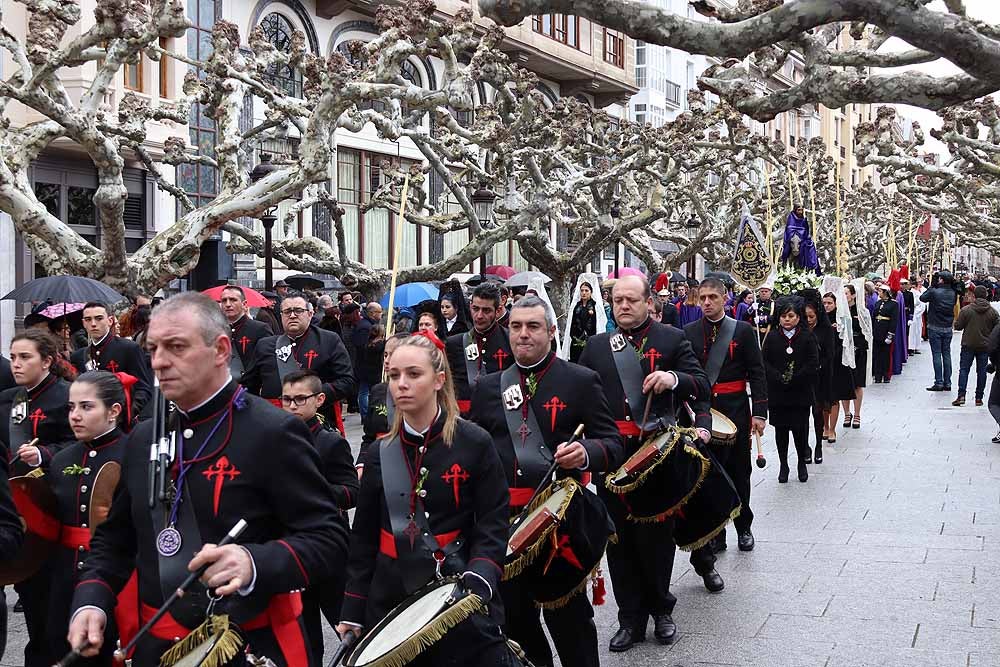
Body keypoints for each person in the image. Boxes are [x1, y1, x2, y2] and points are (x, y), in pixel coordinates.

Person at [67, 293, 347, 666]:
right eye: (153, 348)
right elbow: (115, 539)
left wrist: (254, 561)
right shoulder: (142, 438)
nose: (159, 361)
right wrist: (91, 600)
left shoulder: (273, 431)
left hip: (248, 644)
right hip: (160, 646)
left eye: (176, 347)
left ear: (220, 350)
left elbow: (327, 537)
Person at [336, 333, 514, 667]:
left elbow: (493, 521)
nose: (401, 384)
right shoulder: (379, 452)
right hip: (390, 597)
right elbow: (363, 539)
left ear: (439, 380)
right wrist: (353, 608)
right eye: (394, 375)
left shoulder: (475, 442)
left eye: (413, 374)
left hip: (457, 588)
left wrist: (481, 573)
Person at [471, 297, 623, 667]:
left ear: (552, 332)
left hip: (560, 522)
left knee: (570, 622)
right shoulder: (489, 387)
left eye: (533, 326)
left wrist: (585, 452)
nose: (523, 334)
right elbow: (473, 450)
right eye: (516, 326)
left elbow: (612, 444)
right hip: (505, 523)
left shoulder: (580, 380)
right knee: (516, 622)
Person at [577, 275, 710, 654]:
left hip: (657, 454)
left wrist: (673, 378)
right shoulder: (597, 347)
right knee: (618, 541)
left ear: (648, 302)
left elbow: (701, 384)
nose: (623, 306)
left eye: (631, 300)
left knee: (656, 539)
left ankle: (661, 609)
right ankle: (629, 619)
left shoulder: (672, 339)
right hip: (612, 456)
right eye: (617, 300)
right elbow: (580, 396)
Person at [0, 330, 76, 667]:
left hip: (53, 510)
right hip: (16, 512)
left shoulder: (67, 397)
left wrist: (45, 454)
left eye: (25, 357)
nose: (16, 364)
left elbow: (81, 445)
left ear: (47, 361)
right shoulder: (9, 399)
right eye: (13, 357)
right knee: (29, 595)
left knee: (52, 602)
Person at [44, 371, 130, 667]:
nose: (75, 416)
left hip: (117, 582)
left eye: (86, 406)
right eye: (71, 407)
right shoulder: (62, 460)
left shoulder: (132, 454)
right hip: (64, 579)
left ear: (113, 411)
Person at [683, 278, 767, 577]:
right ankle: (716, 532)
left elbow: (757, 372)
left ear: (725, 298)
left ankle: (744, 527)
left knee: (739, 472)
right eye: (702, 298)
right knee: (708, 476)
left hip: (736, 411)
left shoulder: (742, 330)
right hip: (702, 413)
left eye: (713, 297)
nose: (706, 302)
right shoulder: (688, 332)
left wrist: (760, 413)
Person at [280, 370, 357, 664]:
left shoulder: (331, 442)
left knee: (348, 630)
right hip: (291, 550)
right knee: (304, 641)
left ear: (319, 400)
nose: (292, 406)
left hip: (329, 550)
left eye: (300, 399)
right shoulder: (274, 442)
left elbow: (352, 492)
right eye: (287, 399)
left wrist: (314, 492)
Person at [243, 291, 356, 435]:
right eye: (287, 312)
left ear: (310, 314)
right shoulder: (265, 345)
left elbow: (347, 381)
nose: (292, 315)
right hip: (275, 424)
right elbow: (249, 386)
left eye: (298, 310)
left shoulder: (329, 340)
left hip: (318, 424)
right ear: (281, 316)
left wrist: (310, 397)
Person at [762, 296, 819, 484]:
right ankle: (783, 464)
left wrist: (797, 377)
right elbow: (764, 361)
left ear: (798, 317)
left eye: (791, 316)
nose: (787, 319)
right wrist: (777, 376)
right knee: (781, 430)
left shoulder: (807, 336)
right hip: (778, 392)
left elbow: (813, 362)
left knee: (800, 429)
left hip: (800, 391)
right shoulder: (772, 336)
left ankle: (802, 462)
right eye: (784, 316)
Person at [70, 302, 153, 422]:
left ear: (110, 321)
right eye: (88, 319)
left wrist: (125, 414)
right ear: (83, 323)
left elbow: (143, 389)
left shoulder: (129, 348)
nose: (93, 324)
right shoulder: (79, 356)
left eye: (99, 318)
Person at [445, 283, 513, 416]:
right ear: (470, 306)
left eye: (486, 310)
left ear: (498, 311)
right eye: (475, 309)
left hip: (500, 415)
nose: (479, 315)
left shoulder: (510, 340)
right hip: (464, 418)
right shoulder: (454, 343)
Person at [358, 332, 409, 469]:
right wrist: (361, 465)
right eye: (385, 355)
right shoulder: (378, 390)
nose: (387, 360)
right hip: (378, 462)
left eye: (393, 354)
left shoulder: (419, 392)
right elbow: (369, 437)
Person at [953, 285, 999, 407]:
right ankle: (979, 398)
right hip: (984, 345)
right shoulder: (993, 312)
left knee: (964, 370)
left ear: (974, 295)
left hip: (968, 344)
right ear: (986, 295)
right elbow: (997, 330)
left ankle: (961, 395)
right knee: (982, 371)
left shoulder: (966, 310)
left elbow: (958, 326)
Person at [218, 286, 273, 383]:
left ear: (244, 304)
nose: (228, 304)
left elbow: (268, 364)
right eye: (224, 300)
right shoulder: (216, 330)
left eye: (233, 300)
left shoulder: (260, 329)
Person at [803, 291, 833, 463]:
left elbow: (830, 353)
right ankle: (805, 446)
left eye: (811, 316)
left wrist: (819, 365)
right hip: (803, 376)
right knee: (802, 414)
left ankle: (818, 445)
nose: (808, 320)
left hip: (820, 375)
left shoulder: (825, 328)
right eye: (806, 316)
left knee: (817, 412)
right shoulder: (800, 328)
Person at [821, 292, 856, 443]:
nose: (826, 306)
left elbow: (847, 340)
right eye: (824, 303)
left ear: (836, 304)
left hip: (837, 362)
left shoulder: (842, 318)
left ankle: (832, 429)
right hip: (822, 363)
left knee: (834, 397)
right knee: (823, 399)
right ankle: (824, 426)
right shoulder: (818, 318)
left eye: (829, 303)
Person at [842, 284, 870, 430]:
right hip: (844, 350)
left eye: (846, 293)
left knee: (858, 383)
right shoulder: (839, 310)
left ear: (853, 295)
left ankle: (857, 414)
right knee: (844, 382)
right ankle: (847, 413)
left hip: (859, 349)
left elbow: (867, 330)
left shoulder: (861, 311)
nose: (844, 296)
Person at [564, 276, 605, 363]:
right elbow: (572, 323)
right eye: (582, 290)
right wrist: (574, 337)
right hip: (576, 341)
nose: (584, 293)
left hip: (590, 341)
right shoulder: (576, 306)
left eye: (586, 290)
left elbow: (599, 324)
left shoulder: (595, 306)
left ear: (591, 292)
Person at [353, 303, 383, 417]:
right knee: (364, 391)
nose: (381, 315)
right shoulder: (365, 327)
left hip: (367, 365)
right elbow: (362, 346)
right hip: (366, 365)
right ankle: (365, 415)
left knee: (365, 390)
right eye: (379, 312)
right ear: (373, 313)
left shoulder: (367, 324)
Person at [872, 285, 900, 384]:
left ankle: (886, 375)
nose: (879, 293)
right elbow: (874, 316)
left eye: (880, 291)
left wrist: (890, 335)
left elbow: (894, 320)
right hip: (877, 330)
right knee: (877, 354)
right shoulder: (878, 303)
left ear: (885, 292)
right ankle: (878, 375)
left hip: (886, 330)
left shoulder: (894, 304)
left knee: (885, 354)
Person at [909, 279, 927, 354]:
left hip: (917, 315)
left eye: (914, 287)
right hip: (913, 314)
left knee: (917, 332)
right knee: (912, 332)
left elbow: (922, 305)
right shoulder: (911, 293)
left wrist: (917, 313)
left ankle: (916, 347)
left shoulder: (919, 294)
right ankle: (911, 347)